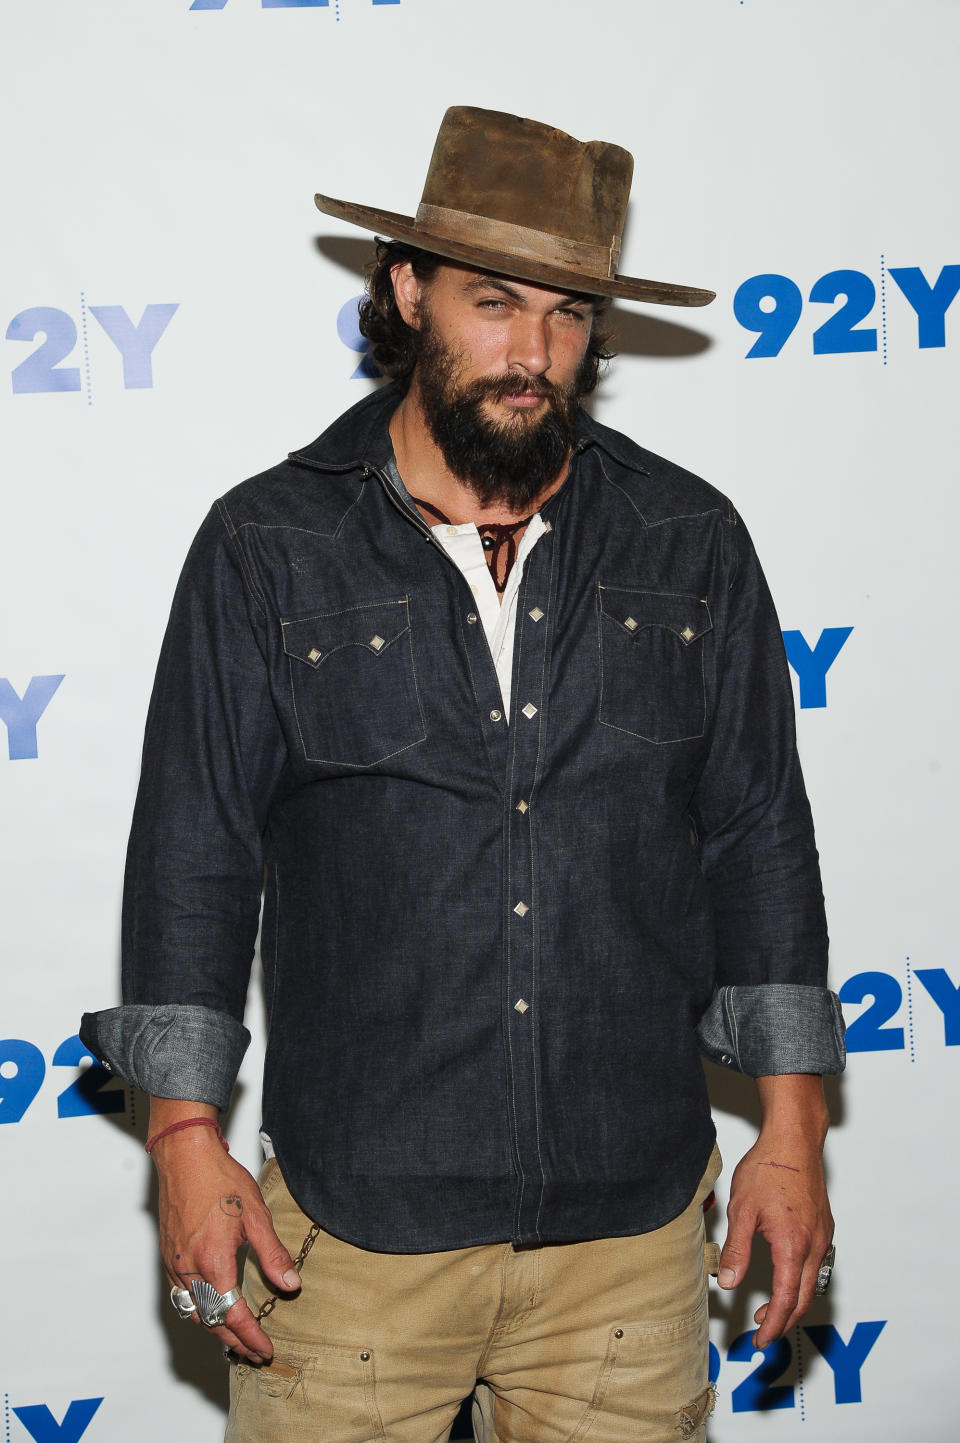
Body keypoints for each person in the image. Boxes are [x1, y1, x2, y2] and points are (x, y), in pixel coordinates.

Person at [81, 106, 844, 1443]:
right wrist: (184, 1144)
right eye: (494, 303)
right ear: (408, 290)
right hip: (351, 1242)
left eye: (565, 314)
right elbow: (196, 851)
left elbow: (757, 838)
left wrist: (792, 1132)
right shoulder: (268, 548)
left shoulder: (690, 541)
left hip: (628, 1240)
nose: (531, 352)